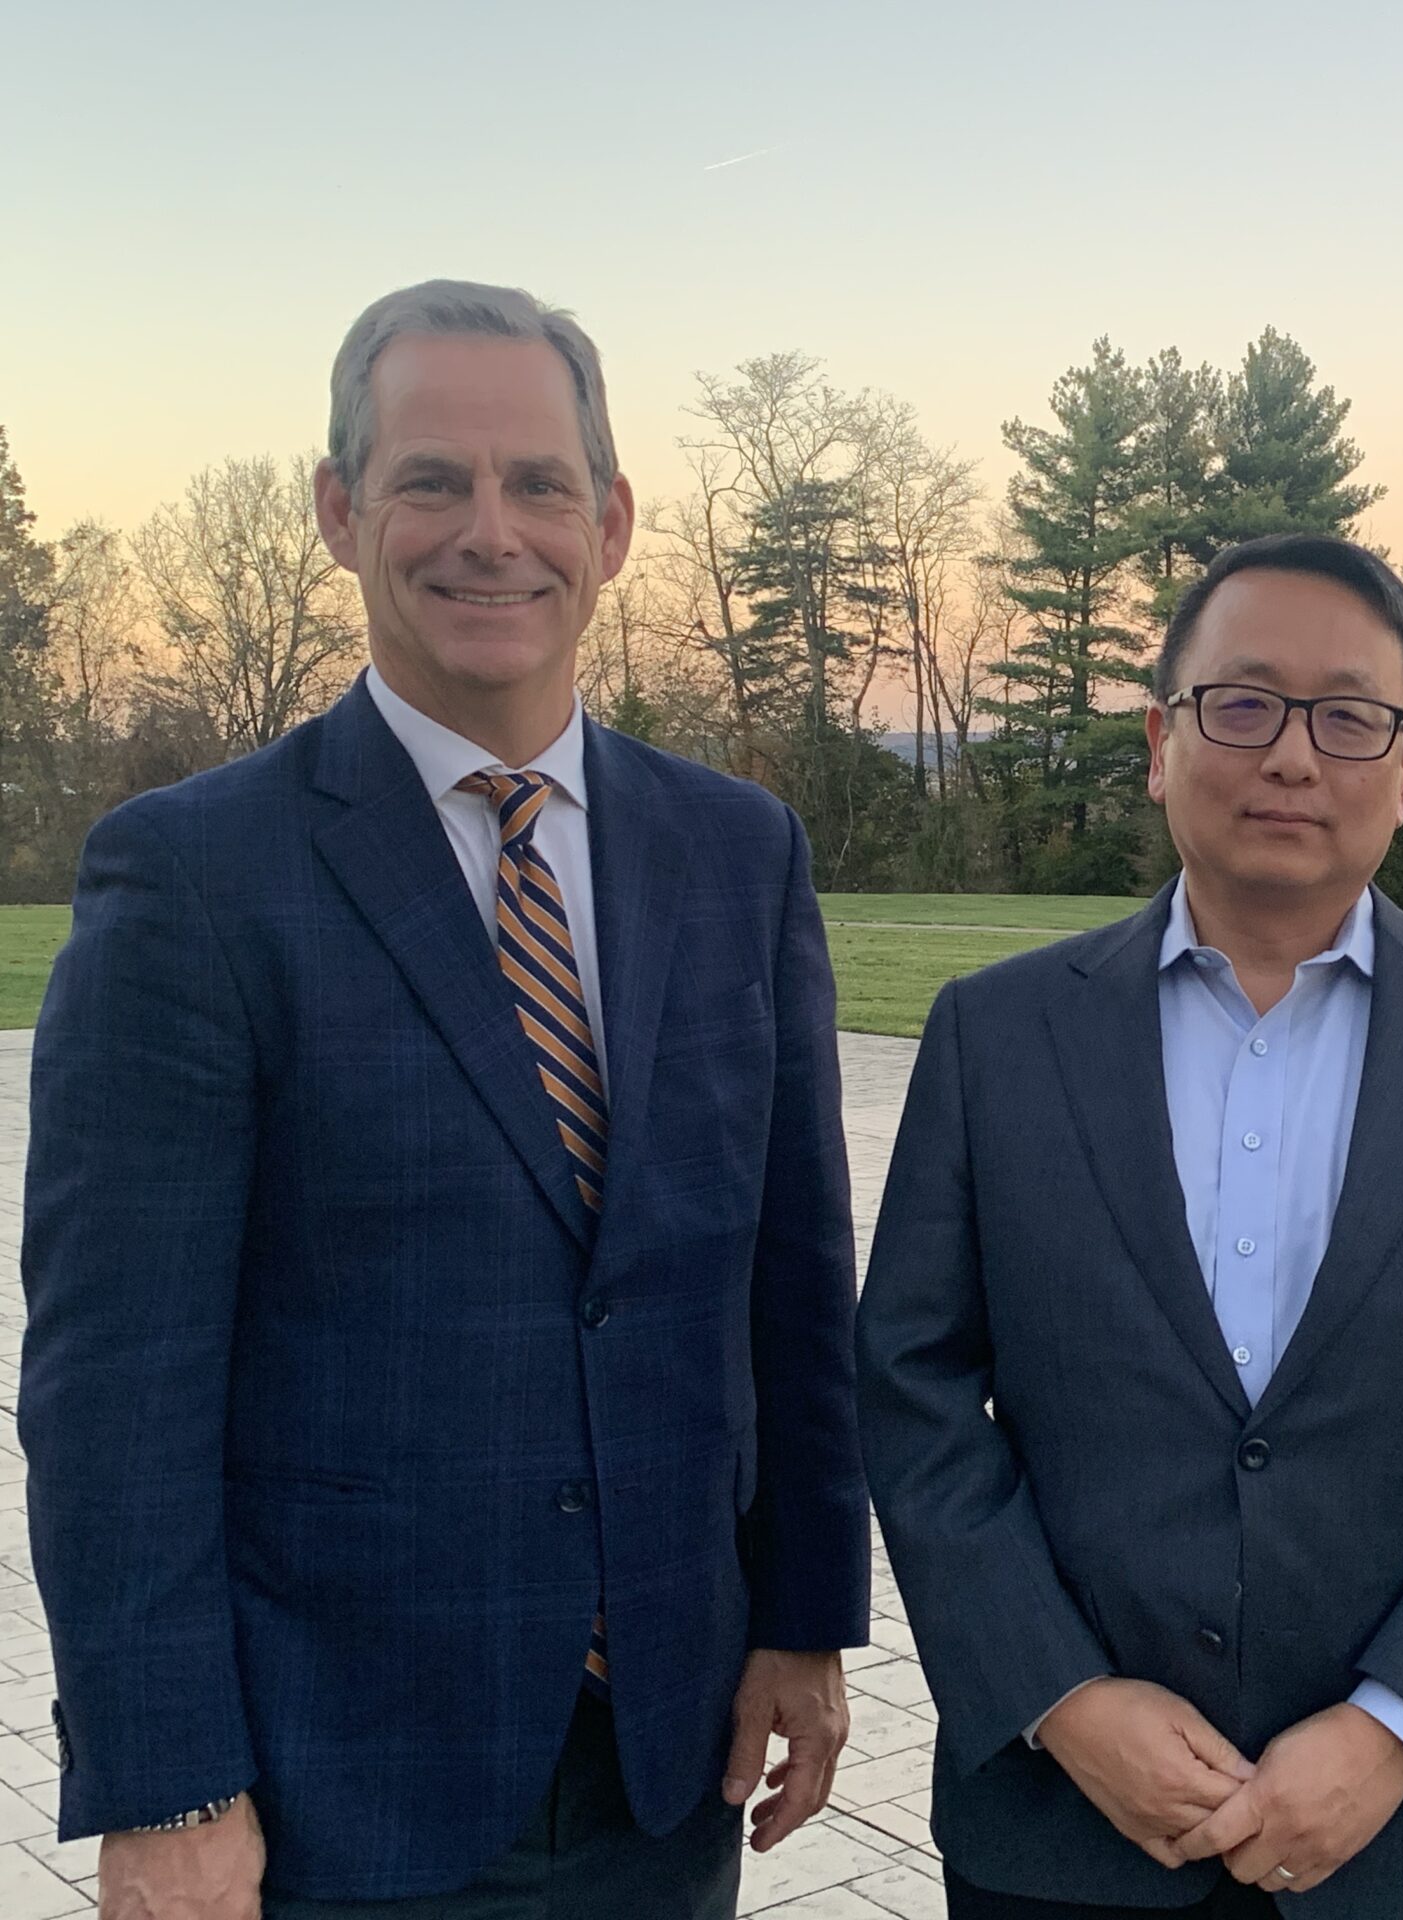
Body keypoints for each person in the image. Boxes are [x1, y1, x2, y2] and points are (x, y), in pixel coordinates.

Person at [22, 280, 868, 1918]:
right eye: (433, 481)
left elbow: (790, 1286)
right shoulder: (194, 876)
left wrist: (804, 1622)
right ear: (341, 511)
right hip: (333, 1784)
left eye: (540, 483)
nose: (494, 534)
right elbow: (115, 1381)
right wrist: (167, 1780)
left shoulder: (738, 851)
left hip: (664, 1767)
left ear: (611, 521)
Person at [855, 532, 1403, 1919]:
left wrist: (1398, 1726)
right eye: (1242, 704)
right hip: (1068, 1839)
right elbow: (911, 1383)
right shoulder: (997, 1036)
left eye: (1350, 717)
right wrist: (1056, 1695)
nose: (1294, 756)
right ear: (1161, 743)